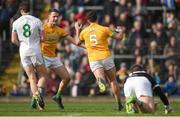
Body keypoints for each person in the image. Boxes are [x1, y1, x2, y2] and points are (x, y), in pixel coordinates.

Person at [75, 11, 124, 111]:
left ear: (88, 20)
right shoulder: (104, 29)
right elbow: (119, 37)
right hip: (106, 56)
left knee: (100, 77)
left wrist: (77, 30)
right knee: (113, 80)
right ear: (97, 19)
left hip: (94, 58)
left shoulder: (84, 31)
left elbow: (77, 43)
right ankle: (119, 103)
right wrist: (121, 31)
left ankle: (101, 80)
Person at [11, 2, 47, 110]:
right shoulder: (37, 21)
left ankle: (35, 96)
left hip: (23, 51)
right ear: (29, 10)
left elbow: (13, 40)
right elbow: (43, 38)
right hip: (35, 50)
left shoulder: (16, 22)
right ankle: (39, 94)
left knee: (31, 77)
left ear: (21, 11)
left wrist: (21, 45)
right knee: (43, 75)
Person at [41, 9, 78, 109]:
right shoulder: (41, 28)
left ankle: (57, 96)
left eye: (57, 16)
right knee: (43, 79)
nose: (56, 18)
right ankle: (37, 99)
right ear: (48, 17)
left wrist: (88, 47)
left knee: (67, 78)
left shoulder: (59, 30)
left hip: (53, 57)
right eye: (53, 16)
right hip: (42, 57)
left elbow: (75, 41)